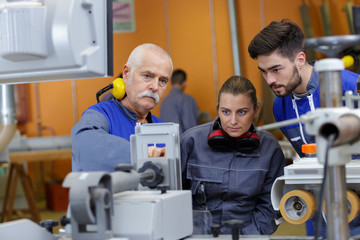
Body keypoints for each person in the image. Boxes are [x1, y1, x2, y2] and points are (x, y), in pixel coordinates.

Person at [248, 19, 360, 237]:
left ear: (300, 59)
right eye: (263, 72)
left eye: (276, 69)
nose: (270, 80)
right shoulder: (281, 105)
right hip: (320, 218)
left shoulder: (351, 87)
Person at [180, 76, 285, 235]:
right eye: (226, 112)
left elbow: (271, 208)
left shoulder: (270, 149)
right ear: (218, 109)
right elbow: (174, 199)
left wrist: (244, 236)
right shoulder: (191, 142)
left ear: (256, 110)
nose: (233, 121)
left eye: (242, 112)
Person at [71, 43, 173, 172]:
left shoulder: (163, 129)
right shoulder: (101, 115)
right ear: (126, 73)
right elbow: (84, 145)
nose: (155, 87)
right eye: (147, 76)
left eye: (162, 81)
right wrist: (142, 152)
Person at [160, 69, 199, 134]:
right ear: (184, 83)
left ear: (170, 83)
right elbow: (191, 127)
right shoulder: (187, 100)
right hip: (182, 142)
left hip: (166, 142)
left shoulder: (164, 101)